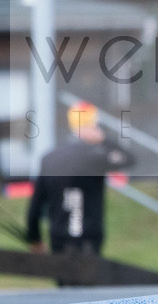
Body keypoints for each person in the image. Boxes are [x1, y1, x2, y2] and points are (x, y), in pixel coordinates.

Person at [27, 101, 136, 256]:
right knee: (88, 278)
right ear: (92, 126)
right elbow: (129, 159)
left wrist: (34, 238)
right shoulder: (95, 158)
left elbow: (36, 204)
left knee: (64, 278)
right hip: (88, 240)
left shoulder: (49, 159)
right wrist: (103, 140)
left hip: (58, 239)